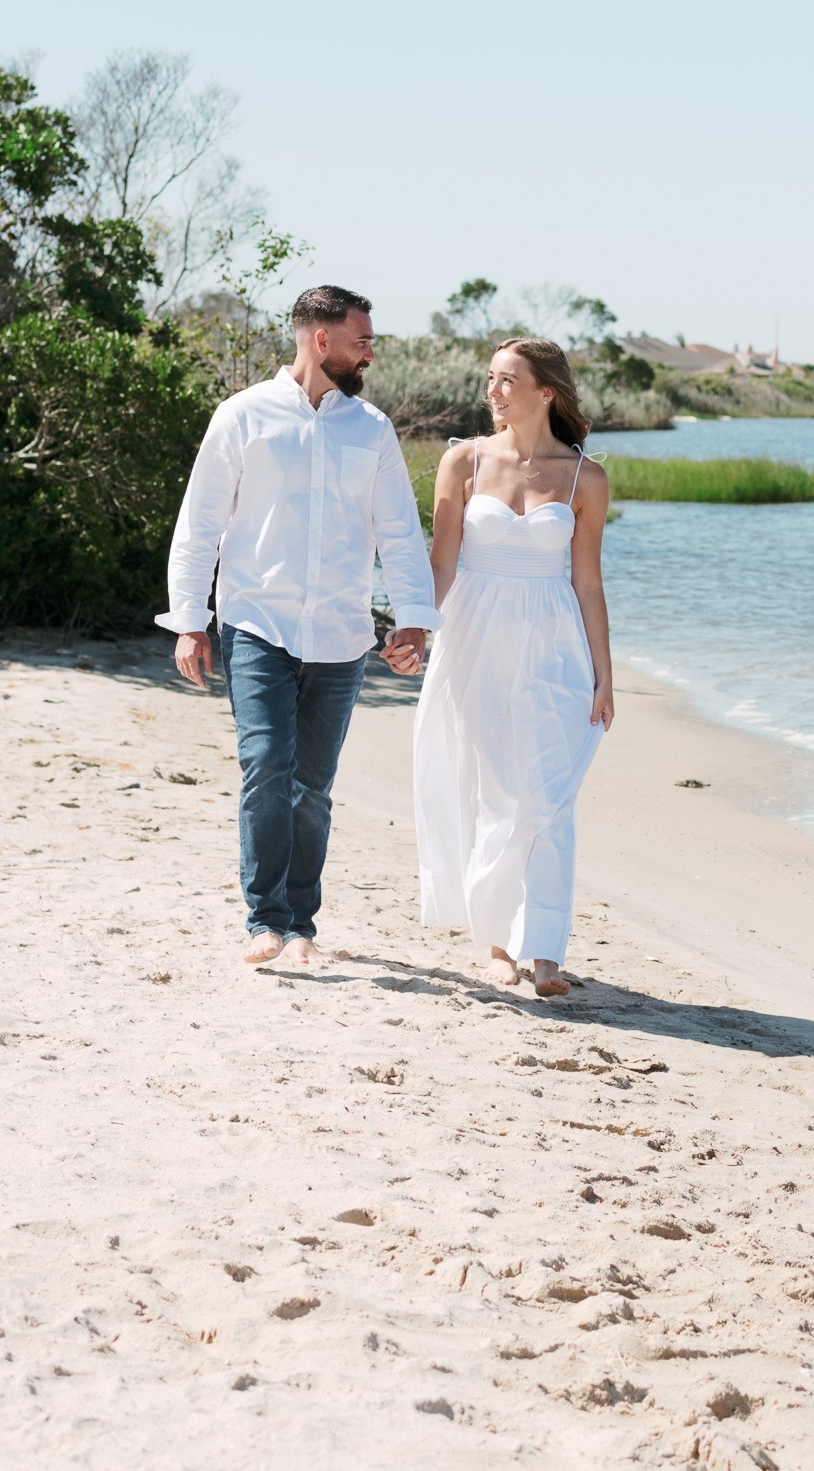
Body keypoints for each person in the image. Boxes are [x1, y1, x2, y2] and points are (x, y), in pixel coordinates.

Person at [159, 283, 439, 967]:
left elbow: (400, 532)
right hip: (257, 624)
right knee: (265, 768)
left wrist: (414, 621)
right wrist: (191, 621)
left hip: (341, 636)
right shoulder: (243, 416)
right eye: (361, 339)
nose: (369, 351)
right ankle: (265, 919)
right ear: (322, 340)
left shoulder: (369, 428)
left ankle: (302, 921)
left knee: (312, 787)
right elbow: (201, 523)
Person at [413, 337, 613, 997]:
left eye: (507, 379)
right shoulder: (462, 461)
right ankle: (498, 944)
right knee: (495, 789)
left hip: (555, 641)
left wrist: (603, 674)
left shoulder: (586, 477)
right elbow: (442, 562)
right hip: (476, 636)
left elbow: (587, 582)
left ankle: (546, 949)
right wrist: (414, 627)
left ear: (545, 391)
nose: (493, 391)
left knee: (550, 795)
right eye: (490, 378)